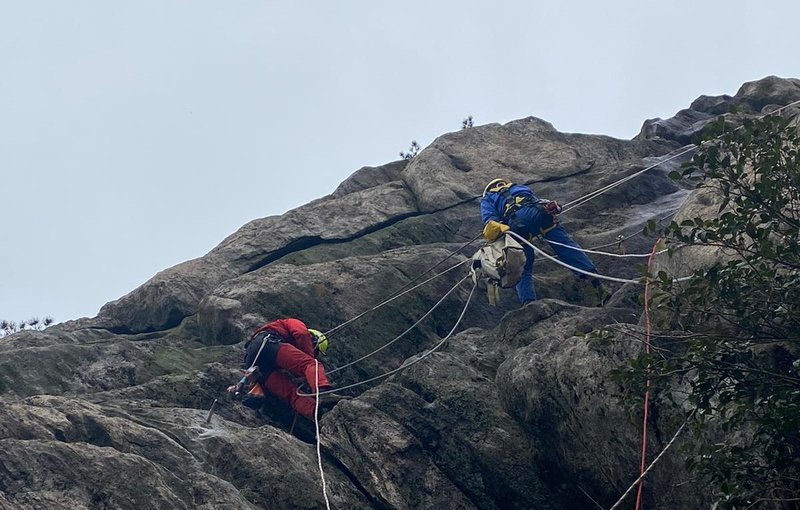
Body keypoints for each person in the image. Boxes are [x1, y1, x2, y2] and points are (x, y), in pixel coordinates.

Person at [480, 178, 609, 305]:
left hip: (515, 225)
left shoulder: (488, 198)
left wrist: (498, 232)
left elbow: (490, 221)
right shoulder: (518, 187)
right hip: (536, 212)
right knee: (566, 247)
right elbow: (536, 202)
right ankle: (595, 283)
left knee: (522, 266)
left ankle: (528, 303)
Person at [227, 317, 344, 419]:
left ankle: (318, 413)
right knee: (311, 364)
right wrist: (308, 360)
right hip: (268, 343)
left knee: (291, 393)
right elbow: (301, 334)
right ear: (313, 339)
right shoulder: (293, 323)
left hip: (254, 360)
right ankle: (323, 392)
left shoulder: (286, 341)